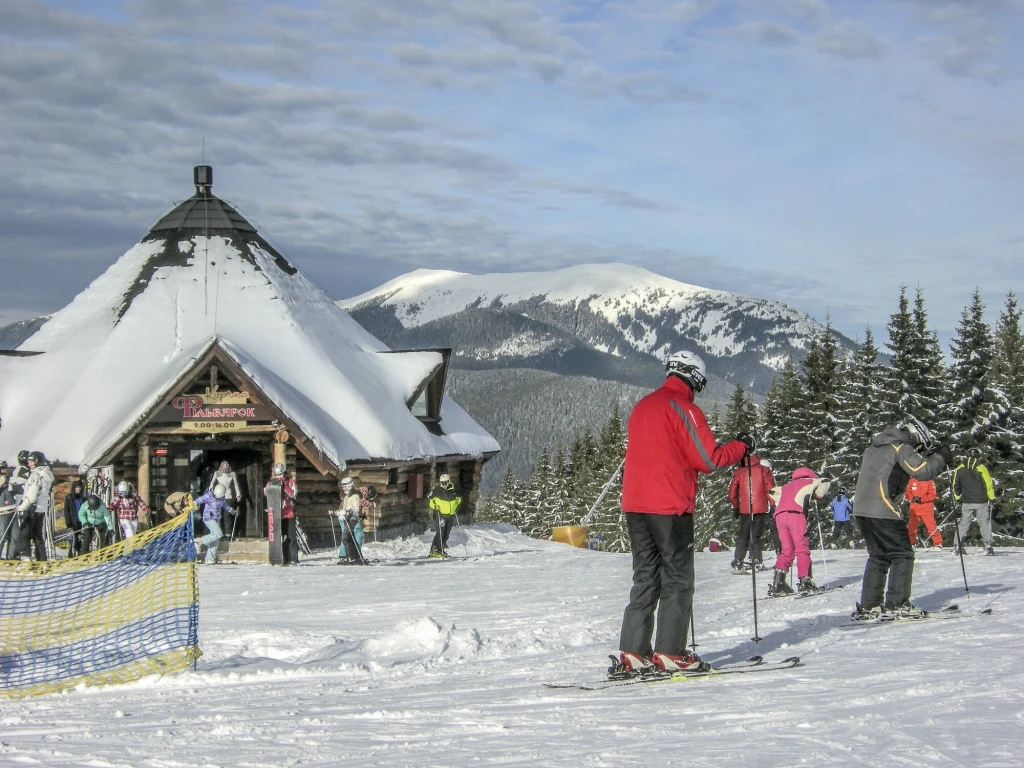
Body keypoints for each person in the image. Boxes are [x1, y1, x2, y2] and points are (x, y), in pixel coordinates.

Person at [614, 351, 750, 674]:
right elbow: (709, 459)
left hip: (635, 506)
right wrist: (742, 446)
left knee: (645, 577)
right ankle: (671, 652)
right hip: (670, 507)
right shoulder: (683, 408)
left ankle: (634, 651)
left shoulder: (641, 407)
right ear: (694, 377)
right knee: (678, 578)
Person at [852, 417, 949, 619]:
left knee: (879, 556)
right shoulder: (900, 447)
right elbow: (921, 471)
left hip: (862, 510)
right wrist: (942, 456)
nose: (918, 451)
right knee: (903, 554)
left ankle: (870, 604)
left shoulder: (873, 448)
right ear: (915, 437)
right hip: (883, 509)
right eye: (919, 447)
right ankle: (898, 604)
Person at [767, 468, 831, 595]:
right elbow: (825, 481)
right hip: (796, 515)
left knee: (787, 550)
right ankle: (805, 581)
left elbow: (772, 491)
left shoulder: (786, 486)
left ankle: (778, 583)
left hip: (779, 516)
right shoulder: (811, 481)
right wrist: (818, 495)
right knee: (802, 548)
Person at [728, 453, 774, 572]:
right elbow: (770, 489)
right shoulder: (764, 470)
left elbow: (732, 492)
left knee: (744, 534)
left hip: (745, 508)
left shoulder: (740, 472)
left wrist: (736, 506)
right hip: (760, 507)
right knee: (756, 535)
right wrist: (773, 504)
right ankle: (756, 560)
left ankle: (738, 560)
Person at [952, 448, 996, 555]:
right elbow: (988, 484)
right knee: (983, 522)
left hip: (967, 501)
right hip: (981, 501)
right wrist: (992, 497)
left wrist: (957, 498)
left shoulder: (960, 468)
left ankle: (957, 545)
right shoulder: (981, 468)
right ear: (978, 456)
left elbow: (955, 485)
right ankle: (988, 544)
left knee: (964, 522)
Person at [12, 451, 55, 561]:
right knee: (37, 536)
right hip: (41, 509)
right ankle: (42, 560)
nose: (29, 464)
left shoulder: (35, 476)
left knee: (24, 534)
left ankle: (26, 560)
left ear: (37, 462)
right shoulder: (46, 474)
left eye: (31, 462)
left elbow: (31, 497)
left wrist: (20, 507)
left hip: (32, 508)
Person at [264, 463, 298, 565]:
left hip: (289, 513)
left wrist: (283, 486)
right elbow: (266, 492)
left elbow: (293, 494)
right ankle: (285, 559)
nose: (279, 477)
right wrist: (272, 486)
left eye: (281, 474)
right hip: (277, 515)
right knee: (282, 537)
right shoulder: (272, 482)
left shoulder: (289, 482)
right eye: (277, 475)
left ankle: (293, 559)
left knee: (291, 537)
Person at [192, 485, 233, 564]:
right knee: (218, 534)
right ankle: (200, 541)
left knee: (215, 541)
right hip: (208, 518)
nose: (216, 498)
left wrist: (231, 510)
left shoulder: (222, 497)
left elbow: (224, 505)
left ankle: (210, 559)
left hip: (216, 519)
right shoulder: (209, 495)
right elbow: (198, 500)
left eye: (218, 497)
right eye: (215, 497)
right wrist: (193, 505)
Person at [428, 473, 462, 559]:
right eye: (442, 482)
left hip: (450, 515)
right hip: (441, 515)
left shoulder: (453, 491)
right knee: (441, 532)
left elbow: (459, 499)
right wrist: (434, 507)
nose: (444, 484)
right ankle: (435, 549)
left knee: (447, 533)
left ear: (449, 481)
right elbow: (431, 501)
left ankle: (441, 549)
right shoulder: (437, 491)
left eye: (445, 482)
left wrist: (456, 506)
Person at [334, 477, 366, 564]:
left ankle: (352, 557)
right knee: (350, 538)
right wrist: (335, 512)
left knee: (345, 538)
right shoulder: (346, 496)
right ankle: (356, 557)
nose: (343, 488)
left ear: (349, 486)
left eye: (344, 487)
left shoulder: (355, 496)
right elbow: (344, 509)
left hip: (352, 519)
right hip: (347, 518)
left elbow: (355, 509)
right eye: (342, 487)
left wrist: (346, 513)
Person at [904, 478, 942, 548]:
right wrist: (912, 498)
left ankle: (938, 543)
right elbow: (907, 492)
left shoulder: (930, 481)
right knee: (911, 528)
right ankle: (911, 543)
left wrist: (922, 499)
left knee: (931, 527)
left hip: (926, 508)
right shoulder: (912, 480)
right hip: (914, 508)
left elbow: (933, 495)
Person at [209, 460, 243, 536]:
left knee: (227, 515)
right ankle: (219, 533)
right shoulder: (217, 473)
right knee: (219, 515)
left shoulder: (232, 474)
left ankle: (228, 533)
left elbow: (235, 484)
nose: (225, 471)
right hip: (219, 494)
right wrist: (211, 491)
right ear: (220, 468)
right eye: (223, 469)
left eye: (226, 469)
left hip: (228, 495)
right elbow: (212, 483)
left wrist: (238, 495)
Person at [62, 480, 87, 557]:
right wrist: (68, 523)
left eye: (79, 487)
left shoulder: (82, 498)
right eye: (76, 487)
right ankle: (71, 554)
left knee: (81, 539)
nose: (78, 489)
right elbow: (66, 511)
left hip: (82, 521)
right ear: (74, 488)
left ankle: (80, 553)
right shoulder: (69, 498)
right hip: (74, 521)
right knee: (74, 539)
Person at [0, 464, 19, 559]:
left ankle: (11, 556)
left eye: (4, 468)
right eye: (2, 468)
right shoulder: (2, 480)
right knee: (2, 534)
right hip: (2, 512)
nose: (4, 471)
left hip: (12, 510)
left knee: (15, 534)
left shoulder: (8, 480)